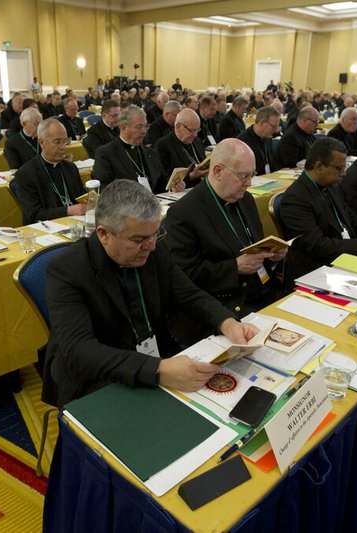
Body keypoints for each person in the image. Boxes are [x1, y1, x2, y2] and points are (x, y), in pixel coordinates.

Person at [42, 179, 257, 406]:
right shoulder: (66, 270)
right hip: (96, 378)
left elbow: (188, 294)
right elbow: (80, 351)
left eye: (155, 234)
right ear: (104, 234)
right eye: (139, 240)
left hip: (156, 356)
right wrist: (158, 369)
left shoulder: (154, 250)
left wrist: (227, 322)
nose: (151, 246)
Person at [165, 139, 286, 343]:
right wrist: (235, 267)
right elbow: (185, 279)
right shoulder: (184, 213)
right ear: (218, 171)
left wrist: (272, 255)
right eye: (243, 176)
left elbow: (253, 245)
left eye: (252, 175)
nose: (249, 183)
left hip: (263, 291)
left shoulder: (245, 199)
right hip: (226, 305)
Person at [278, 138, 357, 289]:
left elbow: (352, 219)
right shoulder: (295, 199)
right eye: (339, 168)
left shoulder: (331, 186)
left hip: (346, 258)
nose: (344, 174)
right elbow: (318, 246)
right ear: (319, 166)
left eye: (345, 167)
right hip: (318, 272)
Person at [12, 118, 86, 225]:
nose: (62, 147)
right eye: (57, 142)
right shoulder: (26, 174)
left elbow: (81, 197)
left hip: (75, 225)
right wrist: (68, 211)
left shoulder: (70, 168)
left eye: (65, 141)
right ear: (42, 142)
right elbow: (34, 214)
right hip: (44, 231)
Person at [92, 105, 169, 193]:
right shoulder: (105, 153)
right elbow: (104, 189)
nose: (144, 131)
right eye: (139, 127)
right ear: (123, 127)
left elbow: (162, 182)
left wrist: (173, 186)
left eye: (145, 126)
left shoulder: (150, 152)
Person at [154, 108, 208, 188]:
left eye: (197, 130)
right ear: (178, 127)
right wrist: (191, 176)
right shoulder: (162, 145)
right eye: (191, 130)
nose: (195, 135)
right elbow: (165, 181)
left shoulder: (197, 141)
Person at [237, 105, 280, 176]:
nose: (276, 130)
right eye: (273, 126)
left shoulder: (267, 138)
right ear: (262, 123)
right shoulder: (243, 142)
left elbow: (271, 163)